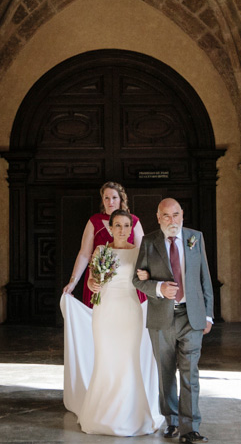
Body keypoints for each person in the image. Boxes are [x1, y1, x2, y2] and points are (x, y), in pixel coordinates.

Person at [75, 210, 164, 436]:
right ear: (110, 228)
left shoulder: (139, 252)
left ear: (131, 228)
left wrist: (147, 278)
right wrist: (94, 283)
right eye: (118, 225)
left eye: (127, 225)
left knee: (127, 360)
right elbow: (94, 277)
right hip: (104, 312)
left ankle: (131, 415)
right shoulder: (100, 250)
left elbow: (150, 277)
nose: (123, 230)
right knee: (106, 360)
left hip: (129, 311)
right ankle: (102, 415)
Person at [132, 198, 214, 444]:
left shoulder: (195, 238)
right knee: (166, 372)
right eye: (166, 216)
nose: (172, 220)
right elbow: (137, 281)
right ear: (158, 218)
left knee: (190, 373)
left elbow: (205, 279)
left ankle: (190, 428)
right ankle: (172, 422)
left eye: (176, 215)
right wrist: (158, 288)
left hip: (192, 316)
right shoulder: (148, 242)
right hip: (161, 318)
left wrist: (208, 314)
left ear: (182, 215)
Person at [62, 182, 145, 308]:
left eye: (114, 197)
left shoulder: (133, 221)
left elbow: (142, 254)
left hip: (128, 280)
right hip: (99, 280)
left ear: (121, 199)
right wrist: (72, 282)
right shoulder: (94, 221)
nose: (110, 201)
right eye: (106, 198)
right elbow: (84, 254)